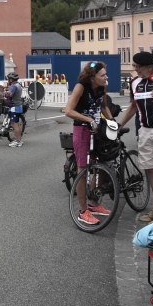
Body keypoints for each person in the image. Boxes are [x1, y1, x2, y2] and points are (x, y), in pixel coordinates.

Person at [64, 61, 113, 226]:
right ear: (93, 77)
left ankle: (94, 204)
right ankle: (83, 211)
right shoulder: (80, 87)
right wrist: (88, 119)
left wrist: (113, 123)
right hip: (82, 130)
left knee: (98, 166)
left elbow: (104, 106)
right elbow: (68, 110)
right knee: (83, 169)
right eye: (103, 75)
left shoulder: (102, 87)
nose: (106, 77)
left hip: (97, 131)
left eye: (106, 74)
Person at [117, 52, 153, 222]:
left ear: (149, 67)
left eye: (137, 67)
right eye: (134, 66)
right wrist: (120, 124)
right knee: (150, 169)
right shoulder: (134, 83)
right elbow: (134, 106)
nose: (135, 70)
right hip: (145, 131)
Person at [5, 72, 24, 147]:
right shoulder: (18, 85)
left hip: (14, 107)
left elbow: (9, 94)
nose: (8, 80)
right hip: (19, 106)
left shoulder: (13, 86)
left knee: (15, 125)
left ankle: (17, 141)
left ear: (11, 79)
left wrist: (3, 93)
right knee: (18, 125)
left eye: (9, 79)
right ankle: (19, 140)